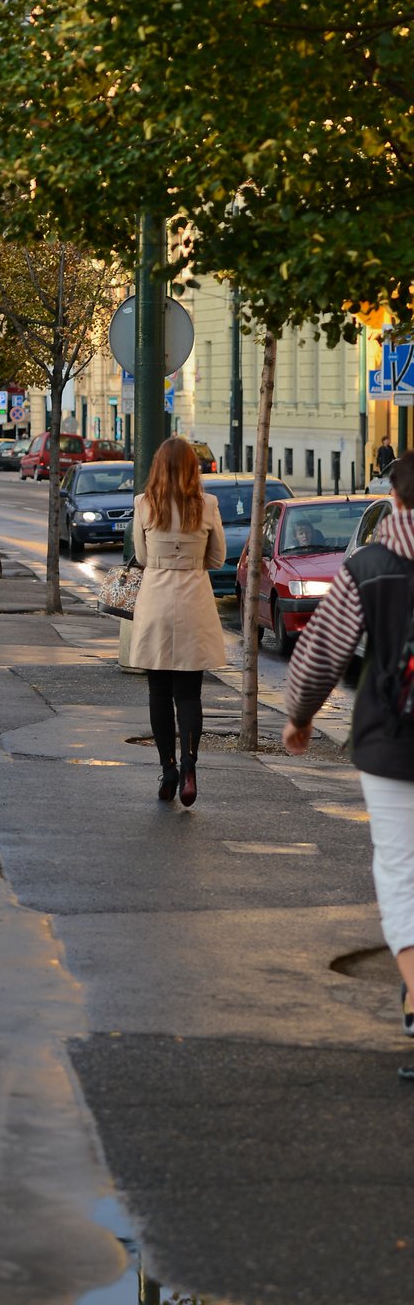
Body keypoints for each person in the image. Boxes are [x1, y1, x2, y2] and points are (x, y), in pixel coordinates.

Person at [283, 450, 414, 1064]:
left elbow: (320, 652)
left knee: (399, 870)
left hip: (392, 745)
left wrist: (300, 718)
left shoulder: (368, 564)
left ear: (395, 497)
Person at [129, 434, 226, 807]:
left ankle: (167, 768)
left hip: (155, 601)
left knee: (158, 692)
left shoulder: (144, 504)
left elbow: (140, 555)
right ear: (192, 467)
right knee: (189, 693)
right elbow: (216, 558)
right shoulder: (207, 504)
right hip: (193, 602)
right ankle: (189, 763)